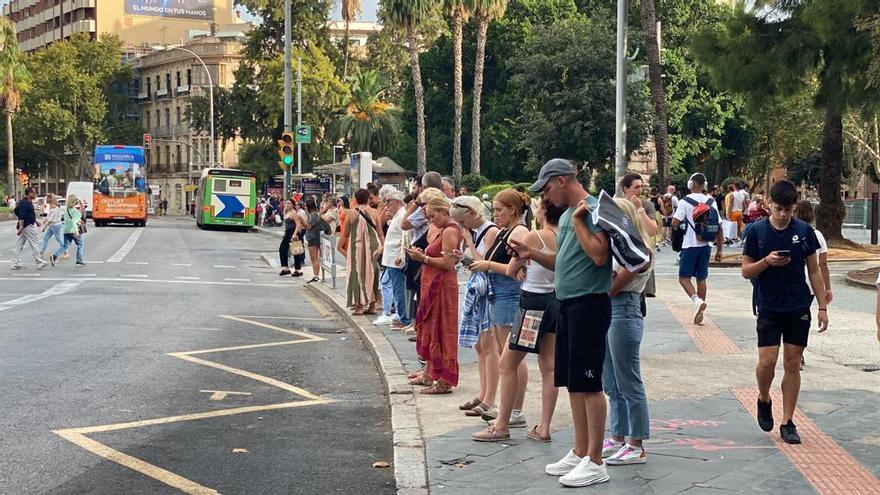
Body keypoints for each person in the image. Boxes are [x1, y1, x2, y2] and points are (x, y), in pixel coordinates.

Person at [512, 159, 612, 488]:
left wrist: (582, 222)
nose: (545, 197)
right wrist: (531, 253)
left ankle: (595, 461)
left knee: (590, 382)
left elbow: (599, 255)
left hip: (588, 304)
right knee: (573, 382)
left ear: (560, 180)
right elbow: (563, 261)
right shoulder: (570, 215)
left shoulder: (591, 210)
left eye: (546, 189)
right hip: (567, 303)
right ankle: (581, 450)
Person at [741, 180, 828, 444]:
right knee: (766, 363)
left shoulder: (804, 231)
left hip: (798, 305)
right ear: (769, 204)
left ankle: (788, 421)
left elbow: (814, 269)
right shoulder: (756, 232)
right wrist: (766, 262)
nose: (782, 214)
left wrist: (822, 306)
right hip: (768, 305)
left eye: (787, 210)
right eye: (778, 209)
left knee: (792, 363)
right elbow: (745, 271)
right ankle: (764, 397)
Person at [472, 197, 563, 443]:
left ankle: (502, 424)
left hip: (532, 302)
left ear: (543, 211)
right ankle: (544, 426)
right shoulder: (563, 235)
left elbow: (512, 270)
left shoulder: (535, 237)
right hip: (554, 300)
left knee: (507, 363)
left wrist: (499, 265)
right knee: (550, 366)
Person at [466, 189, 530, 429]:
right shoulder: (505, 231)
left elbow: (513, 269)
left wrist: (487, 264)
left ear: (513, 210)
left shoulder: (519, 231)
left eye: (499, 210)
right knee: (506, 354)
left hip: (508, 294)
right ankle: (509, 408)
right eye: (494, 210)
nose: (496, 214)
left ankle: (514, 409)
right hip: (498, 294)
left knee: (511, 356)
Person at [602, 198, 655, 466]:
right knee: (611, 382)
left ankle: (636, 443)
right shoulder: (620, 248)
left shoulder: (639, 250)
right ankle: (618, 435)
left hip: (624, 309)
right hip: (613, 309)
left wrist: (604, 284)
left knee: (628, 381)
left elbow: (615, 283)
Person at [404, 194, 462, 394]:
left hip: (442, 286)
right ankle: (430, 373)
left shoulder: (450, 231)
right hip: (433, 284)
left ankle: (444, 379)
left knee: (442, 329)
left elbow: (448, 263)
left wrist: (424, 258)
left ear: (444, 212)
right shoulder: (444, 229)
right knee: (430, 326)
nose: (431, 221)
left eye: (433, 216)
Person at [451, 194, 499, 417]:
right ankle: (483, 393)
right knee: (481, 346)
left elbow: (485, 263)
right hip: (480, 291)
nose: (463, 227)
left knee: (489, 347)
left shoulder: (489, 231)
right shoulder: (479, 231)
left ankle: (490, 398)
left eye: (463, 222)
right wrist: (464, 256)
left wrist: (469, 243)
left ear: (472, 213)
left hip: (489, 292)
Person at [672, 173, 723, 324]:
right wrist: (720, 249)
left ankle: (697, 302)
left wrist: (682, 225)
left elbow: (675, 222)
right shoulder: (711, 201)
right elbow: (719, 227)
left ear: (690, 184)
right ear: (704, 185)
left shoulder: (684, 202)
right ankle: (700, 312)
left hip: (690, 245)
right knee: (701, 278)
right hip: (706, 245)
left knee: (684, 278)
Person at [339, 188, 384, 315]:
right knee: (373, 273)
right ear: (368, 198)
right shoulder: (375, 212)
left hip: (356, 247)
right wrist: (383, 246)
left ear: (355, 199)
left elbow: (346, 233)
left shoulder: (351, 213)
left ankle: (359, 306)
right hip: (373, 247)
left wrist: (339, 246)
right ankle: (372, 306)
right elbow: (380, 232)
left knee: (357, 274)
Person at [376, 190, 412, 329]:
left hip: (395, 259)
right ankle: (401, 315)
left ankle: (404, 317)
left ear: (397, 202)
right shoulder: (398, 215)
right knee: (397, 289)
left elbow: (405, 237)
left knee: (399, 289)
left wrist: (401, 255)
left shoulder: (402, 215)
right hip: (391, 258)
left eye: (388, 202)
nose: (386, 206)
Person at [12, 187, 47, 270]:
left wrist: (35, 221)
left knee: (19, 245)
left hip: (26, 225)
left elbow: (17, 211)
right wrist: (21, 226)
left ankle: (16, 263)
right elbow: (21, 214)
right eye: (34, 193)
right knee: (34, 243)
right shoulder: (25, 203)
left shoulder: (27, 202)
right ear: (30, 193)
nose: (35, 194)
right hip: (27, 226)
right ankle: (39, 262)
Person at [51, 194, 85, 267]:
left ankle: (54, 256)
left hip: (66, 230)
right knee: (80, 245)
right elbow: (73, 221)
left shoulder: (66, 210)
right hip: (73, 230)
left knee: (65, 246)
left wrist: (78, 220)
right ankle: (79, 261)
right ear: (75, 202)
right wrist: (76, 231)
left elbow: (69, 220)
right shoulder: (76, 212)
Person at [278, 200, 304, 277]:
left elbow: (298, 224)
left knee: (295, 251)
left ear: (293, 205)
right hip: (287, 233)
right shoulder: (286, 212)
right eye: (286, 203)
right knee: (282, 249)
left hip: (293, 232)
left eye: (289, 203)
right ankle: (286, 268)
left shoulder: (294, 213)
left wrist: (295, 234)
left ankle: (298, 270)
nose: (287, 205)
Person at [302, 197, 323, 284]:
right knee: (313, 258)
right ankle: (315, 275)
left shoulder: (313, 215)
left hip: (313, 237)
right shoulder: (310, 214)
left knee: (314, 258)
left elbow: (309, 226)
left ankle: (316, 276)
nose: (305, 207)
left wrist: (302, 220)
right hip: (311, 237)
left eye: (305, 206)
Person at [40, 193, 64, 262]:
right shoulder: (52, 207)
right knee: (46, 238)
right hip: (53, 225)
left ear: (50, 199)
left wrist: (44, 227)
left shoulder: (54, 208)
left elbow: (51, 220)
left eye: (47, 198)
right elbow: (49, 218)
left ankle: (65, 250)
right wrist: (45, 220)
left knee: (59, 239)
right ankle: (41, 252)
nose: (46, 199)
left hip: (55, 225)